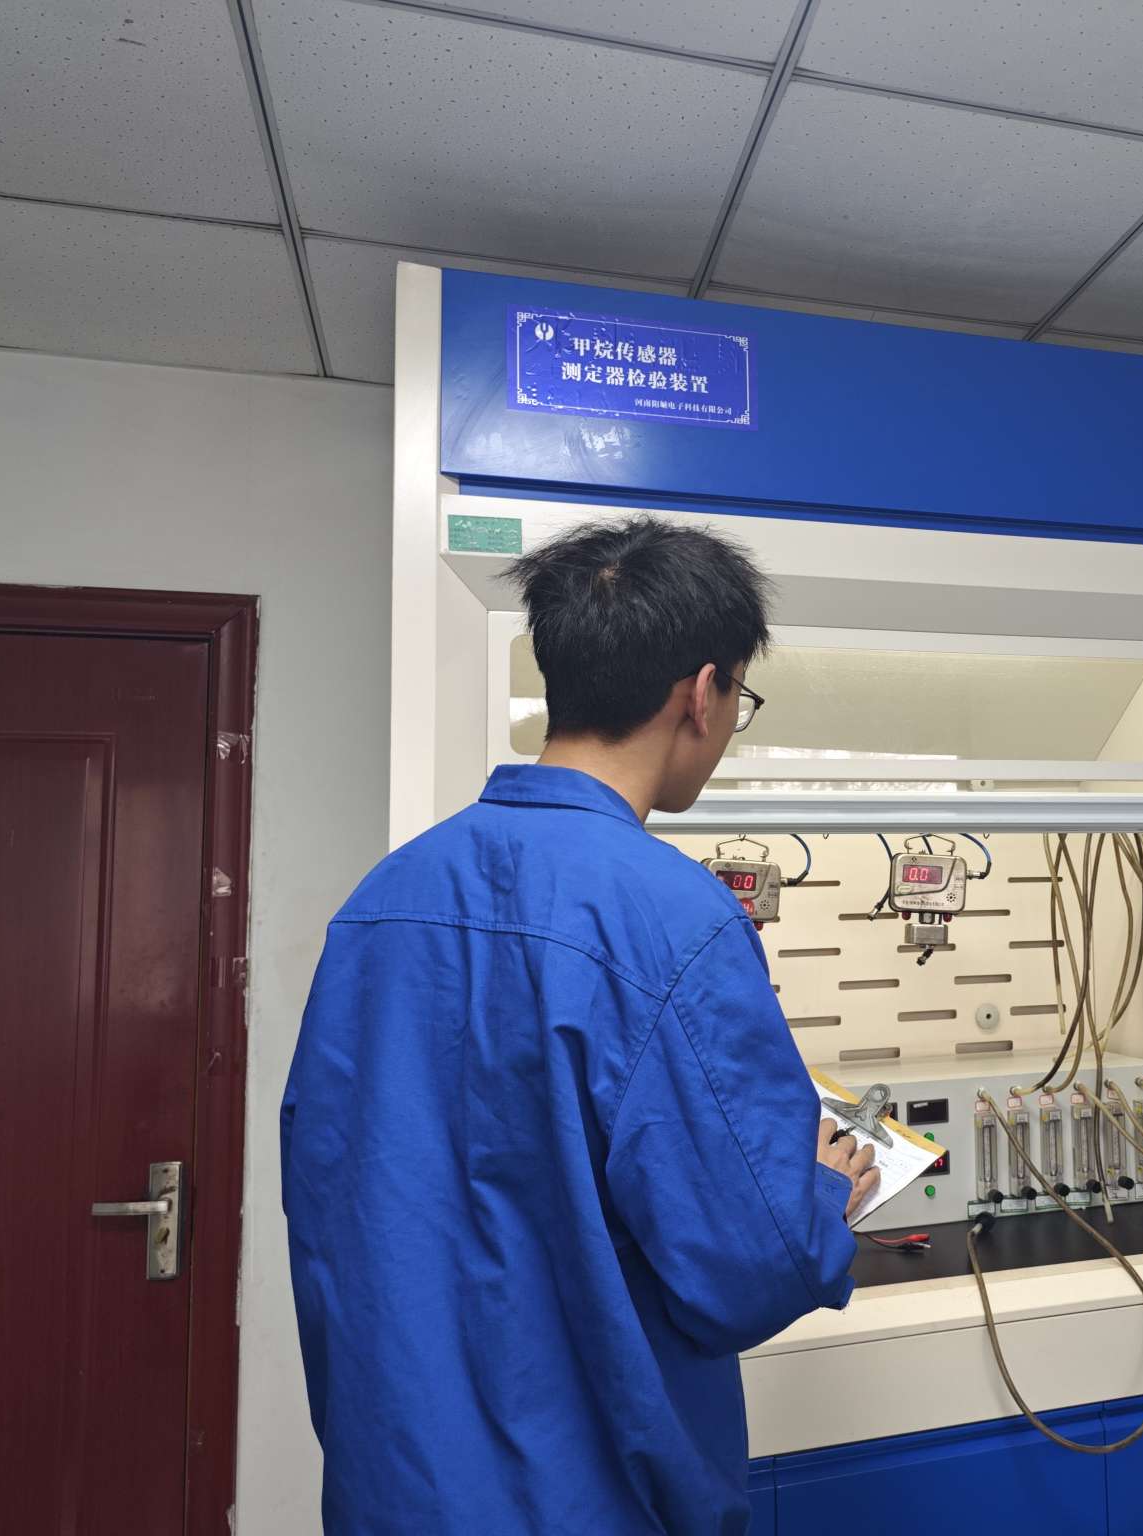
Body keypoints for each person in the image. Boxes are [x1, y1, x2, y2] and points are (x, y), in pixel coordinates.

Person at [282, 517, 878, 1536]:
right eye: (739, 699)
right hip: (585, 1500)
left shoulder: (382, 900)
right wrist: (822, 1195)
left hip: (395, 1488)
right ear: (702, 693)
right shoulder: (675, 920)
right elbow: (749, 1266)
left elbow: (340, 1196)